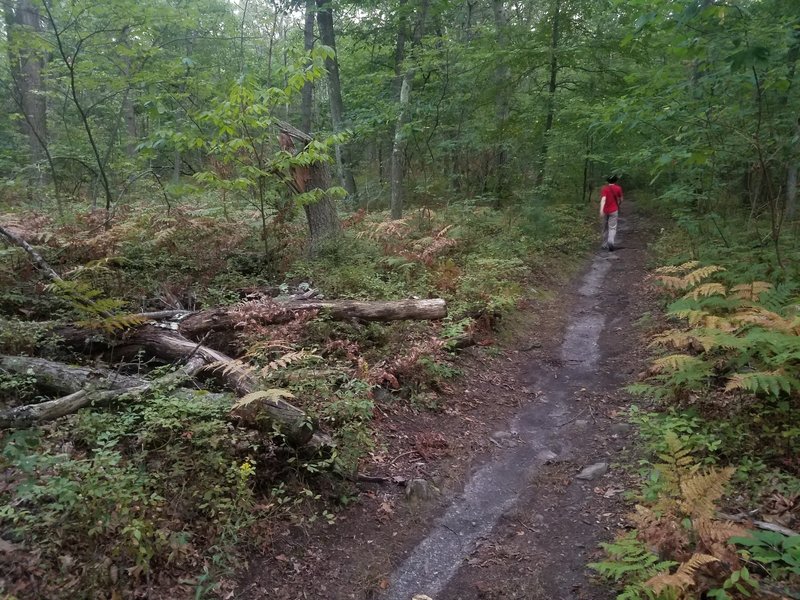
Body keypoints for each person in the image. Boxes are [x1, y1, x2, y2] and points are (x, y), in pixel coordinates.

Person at [599, 175, 623, 251]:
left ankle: (604, 244)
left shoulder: (604, 189)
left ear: (607, 181)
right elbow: (621, 199)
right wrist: (619, 204)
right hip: (614, 210)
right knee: (612, 227)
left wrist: (601, 209)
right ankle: (611, 241)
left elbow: (603, 199)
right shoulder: (618, 188)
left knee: (604, 227)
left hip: (605, 211)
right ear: (615, 181)